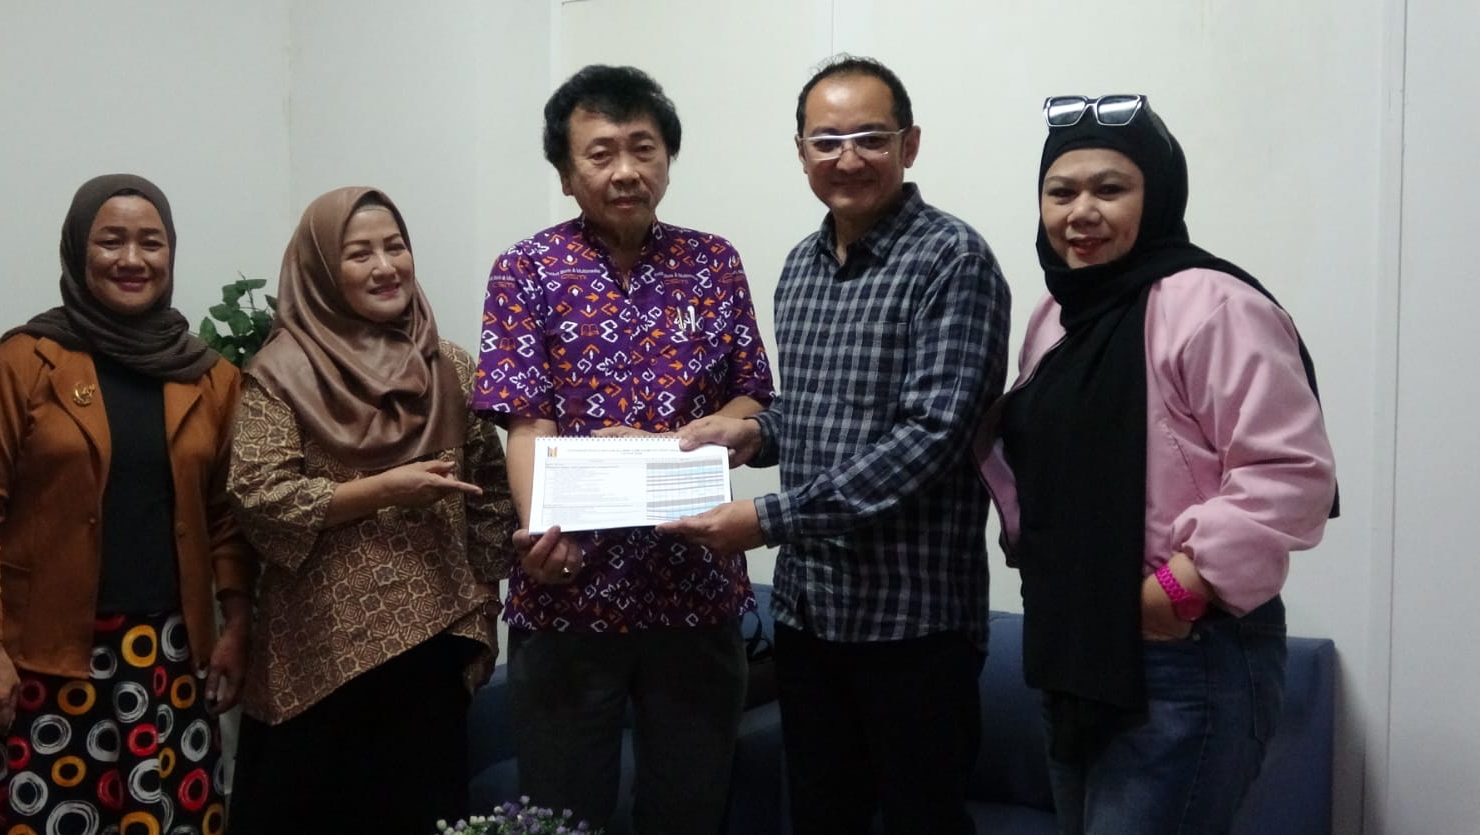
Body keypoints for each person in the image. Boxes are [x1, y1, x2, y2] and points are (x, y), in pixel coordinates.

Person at [661, 56, 1011, 835]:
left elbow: (930, 436)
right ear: (800, 152)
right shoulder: (799, 267)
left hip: (914, 622)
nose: (847, 158)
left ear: (908, 144)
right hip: (808, 614)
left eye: (869, 138)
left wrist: (767, 520)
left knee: (924, 822)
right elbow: (819, 412)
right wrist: (753, 431)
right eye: (826, 141)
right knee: (821, 818)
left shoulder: (952, 259)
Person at [975, 95, 1338, 834]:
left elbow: (1290, 473)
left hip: (1182, 651)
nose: (1081, 212)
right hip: (1073, 645)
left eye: (1110, 189)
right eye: (1060, 192)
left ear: (1159, 194)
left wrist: (1177, 589)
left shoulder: (1214, 305)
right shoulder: (1057, 315)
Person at [472, 64, 775, 834]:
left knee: (688, 810)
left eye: (643, 148)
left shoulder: (713, 263)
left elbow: (749, 397)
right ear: (565, 174)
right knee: (560, 816)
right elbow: (525, 419)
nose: (626, 170)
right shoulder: (526, 269)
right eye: (600, 153)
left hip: (695, 588)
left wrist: (689, 437)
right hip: (568, 591)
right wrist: (541, 531)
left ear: (667, 159)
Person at [0, 173, 254, 834]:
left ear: (171, 252)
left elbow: (225, 516)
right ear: (78, 250)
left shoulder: (211, 377)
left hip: (169, 657)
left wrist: (236, 623)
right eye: (111, 241)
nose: (132, 259)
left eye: (151, 242)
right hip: (43, 657)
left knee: (166, 817)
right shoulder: (22, 363)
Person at [227, 187, 515, 835]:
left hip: (434, 644)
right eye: (359, 254)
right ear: (321, 271)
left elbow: (492, 497)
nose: (385, 266)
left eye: (395, 247)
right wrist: (383, 490)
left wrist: (486, 605)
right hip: (316, 656)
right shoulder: (279, 372)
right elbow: (259, 494)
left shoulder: (450, 367)